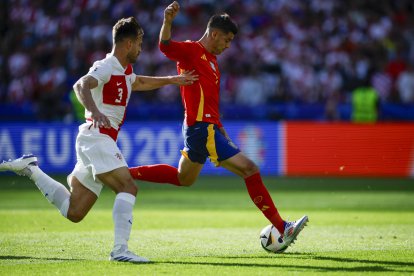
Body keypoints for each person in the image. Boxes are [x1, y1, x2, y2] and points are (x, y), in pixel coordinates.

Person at [0, 17, 197, 263]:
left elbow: (140, 82)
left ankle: (31, 169)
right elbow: (81, 85)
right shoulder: (106, 66)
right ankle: (120, 250)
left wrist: (172, 80)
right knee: (128, 187)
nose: (140, 48)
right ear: (127, 43)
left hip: (94, 138)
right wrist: (94, 110)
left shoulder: (124, 71)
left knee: (75, 211)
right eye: (139, 43)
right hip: (97, 136)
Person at [128, 2, 308, 250]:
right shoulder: (192, 51)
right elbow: (164, 46)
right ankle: (282, 226)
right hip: (200, 128)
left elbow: (210, 99)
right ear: (214, 34)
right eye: (227, 39)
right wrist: (167, 21)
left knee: (184, 178)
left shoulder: (212, 61)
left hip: (205, 127)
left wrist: (220, 125)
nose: (228, 45)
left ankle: (123, 173)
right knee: (250, 168)